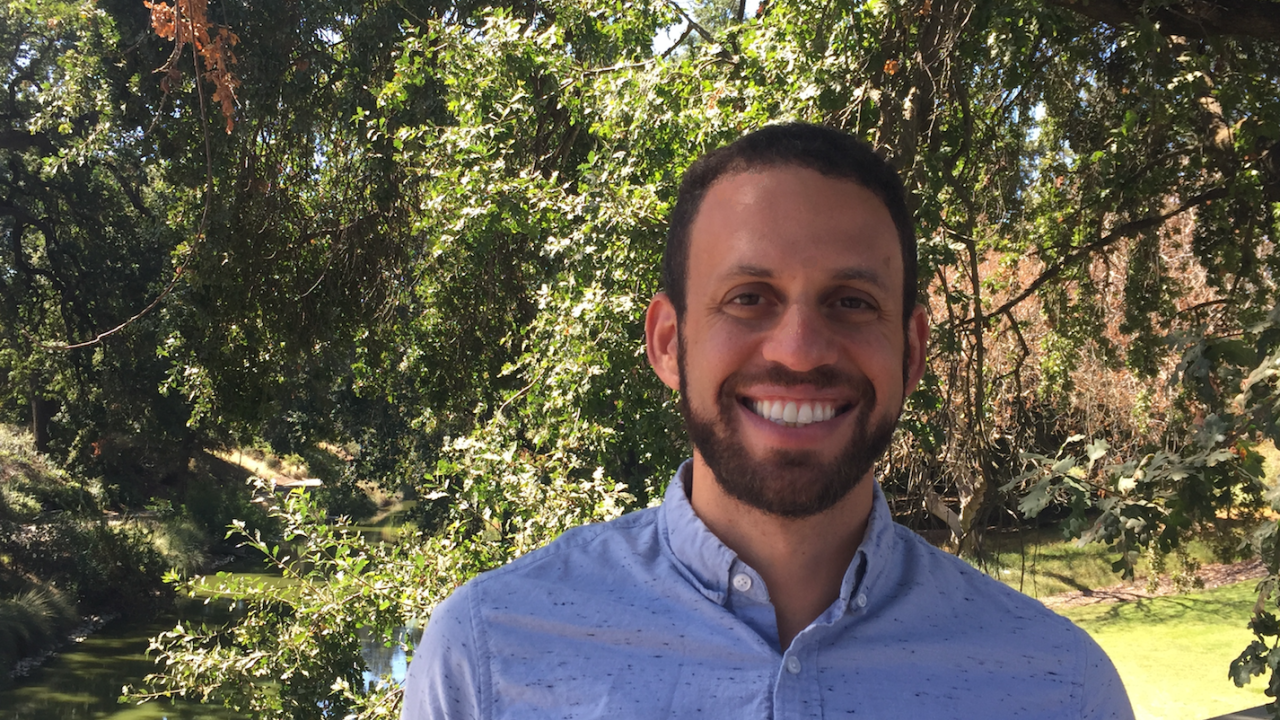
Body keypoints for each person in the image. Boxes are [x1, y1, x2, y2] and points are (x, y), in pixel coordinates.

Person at [401, 122, 1134, 719]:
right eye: (748, 297)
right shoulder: (487, 659)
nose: (800, 351)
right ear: (667, 342)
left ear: (909, 352)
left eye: (851, 302)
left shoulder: (1062, 689)